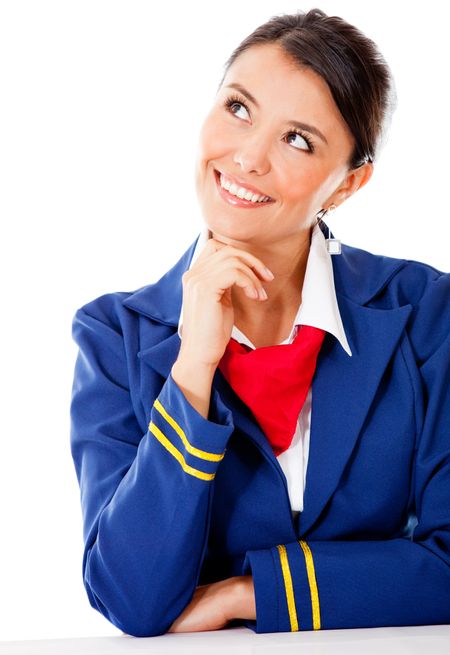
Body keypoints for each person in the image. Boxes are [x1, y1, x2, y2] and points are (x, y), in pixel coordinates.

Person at [69, 8, 450, 637]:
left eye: (297, 139)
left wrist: (244, 594)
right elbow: (131, 599)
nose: (247, 157)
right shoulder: (114, 336)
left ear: (348, 185)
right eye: (239, 108)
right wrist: (192, 369)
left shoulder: (426, 315)